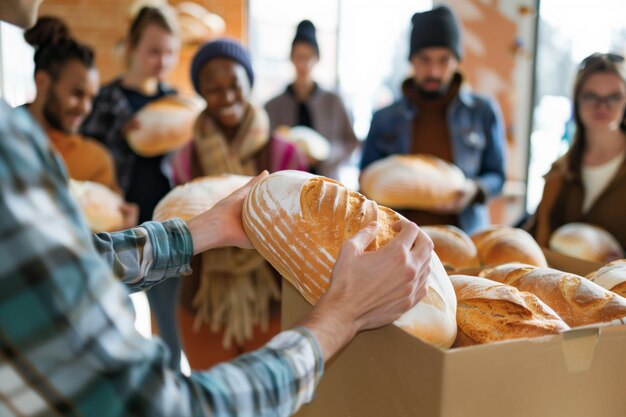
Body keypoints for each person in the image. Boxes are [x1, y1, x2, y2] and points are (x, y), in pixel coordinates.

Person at [1, 2, 435, 416]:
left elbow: (71, 264)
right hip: (204, 303)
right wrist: (341, 315)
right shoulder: (14, 145)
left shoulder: (13, 133)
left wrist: (197, 232)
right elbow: (159, 407)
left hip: (263, 301)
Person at [170, 38, 308, 369]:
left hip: (273, 300)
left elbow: (304, 228)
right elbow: (180, 226)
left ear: (249, 82)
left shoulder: (285, 154)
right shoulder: (185, 159)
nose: (227, 96)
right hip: (204, 305)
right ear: (201, 92)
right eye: (213, 88)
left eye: (235, 84)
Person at [80, 6, 183, 370]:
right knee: (114, 321)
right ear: (133, 48)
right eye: (154, 51)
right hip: (116, 229)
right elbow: (86, 164)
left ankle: (168, 398)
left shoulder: (176, 102)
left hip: (168, 227)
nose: (162, 61)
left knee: (170, 326)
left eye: (169, 52)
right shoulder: (105, 99)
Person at [360, 5, 506, 234]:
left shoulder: (483, 111)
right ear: (412, 60)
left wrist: (474, 189)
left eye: (444, 60)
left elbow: (497, 176)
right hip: (397, 239)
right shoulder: (384, 119)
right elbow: (366, 181)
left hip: (465, 238)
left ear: (457, 60)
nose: (434, 72)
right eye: (424, 60)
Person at [528, 53, 626, 251]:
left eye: (614, 97)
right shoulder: (559, 172)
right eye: (591, 96)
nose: (602, 106)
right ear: (576, 101)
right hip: (561, 280)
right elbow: (535, 237)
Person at [265, 20, 358, 180]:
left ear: (317, 58)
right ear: (292, 58)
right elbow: (267, 148)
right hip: (286, 183)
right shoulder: (273, 106)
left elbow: (349, 142)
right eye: (299, 57)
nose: (304, 64)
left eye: (309, 57)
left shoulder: (334, 102)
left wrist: (325, 156)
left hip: (327, 181)